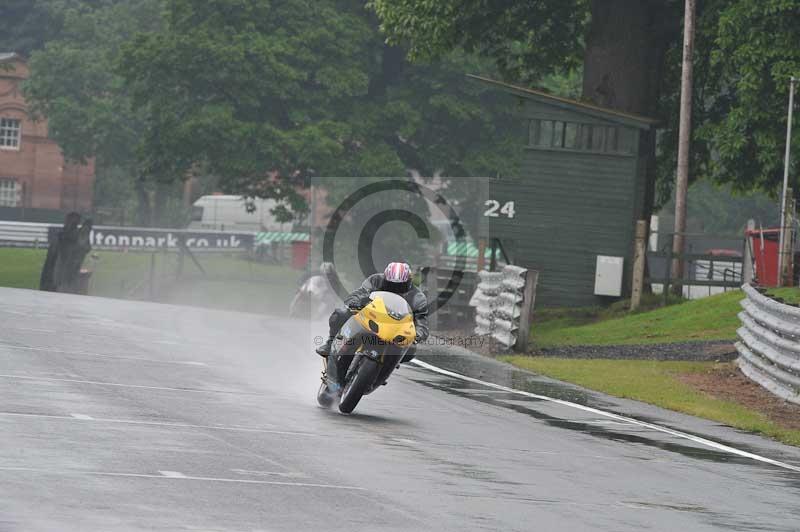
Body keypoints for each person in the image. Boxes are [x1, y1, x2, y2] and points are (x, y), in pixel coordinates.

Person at [315, 262, 429, 361]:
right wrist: (354, 302)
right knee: (340, 314)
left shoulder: (417, 297)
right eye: (391, 285)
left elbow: (422, 324)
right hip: (370, 317)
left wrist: (417, 335)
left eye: (400, 286)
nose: (395, 289)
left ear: (409, 282)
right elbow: (359, 293)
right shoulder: (375, 280)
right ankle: (330, 343)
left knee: (411, 350)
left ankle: (387, 367)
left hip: (396, 330)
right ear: (385, 279)